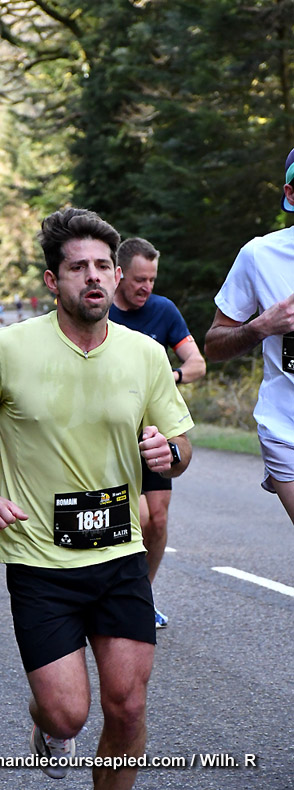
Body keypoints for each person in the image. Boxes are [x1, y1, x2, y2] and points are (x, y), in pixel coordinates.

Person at [0, 208, 193, 790]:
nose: (93, 276)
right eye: (78, 267)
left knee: (128, 707)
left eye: (103, 265)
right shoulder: (8, 348)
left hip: (120, 552)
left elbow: (181, 444)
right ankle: (46, 721)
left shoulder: (145, 354)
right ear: (53, 281)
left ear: (116, 275)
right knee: (68, 716)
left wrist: (169, 454)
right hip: (40, 559)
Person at [109, 237, 206, 628]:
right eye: (139, 279)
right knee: (139, 517)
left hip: (154, 430)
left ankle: (142, 597)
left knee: (158, 521)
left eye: (152, 279)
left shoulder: (163, 310)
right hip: (114, 431)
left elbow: (197, 363)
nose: (146, 287)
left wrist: (171, 376)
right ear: (119, 275)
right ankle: (117, 594)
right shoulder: (101, 312)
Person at [204, 147, 294, 524]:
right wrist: (262, 326)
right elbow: (214, 345)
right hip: (286, 430)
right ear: (291, 194)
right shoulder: (259, 256)